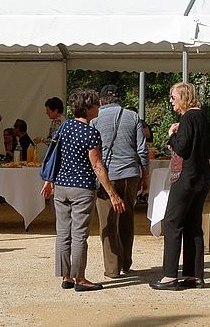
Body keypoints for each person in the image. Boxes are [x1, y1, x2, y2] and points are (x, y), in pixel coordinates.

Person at [41, 89, 126, 291]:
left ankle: (66, 276)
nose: (99, 107)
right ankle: (80, 278)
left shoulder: (64, 127)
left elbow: (55, 155)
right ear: (88, 109)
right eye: (96, 105)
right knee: (79, 235)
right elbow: (97, 166)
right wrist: (113, 194)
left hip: (61, 186)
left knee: (63, 233)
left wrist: (48, 180)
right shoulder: (91, 133)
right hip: (82, 188)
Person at [153, 83, 210, 290]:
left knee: (172, 224)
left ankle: (169, 276)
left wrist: (172, 134)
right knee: (193, 226)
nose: (171, 101)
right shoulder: (203, 117)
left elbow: (182, 148)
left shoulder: (188, 117)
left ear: (184, 97)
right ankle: (193, 275)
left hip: (186, 178)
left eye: (173, 97)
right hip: (201, 178)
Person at [92, 85, 147, 278]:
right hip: (131, 174)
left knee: (107, 222)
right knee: (127, 218)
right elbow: (142, 149)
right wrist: (144, 174)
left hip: (108, 176)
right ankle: (126, 263)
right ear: (119, 99)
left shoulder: (95, 121)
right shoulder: (132, 117)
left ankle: (112, 268)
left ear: (100, 101)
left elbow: (94, 153)